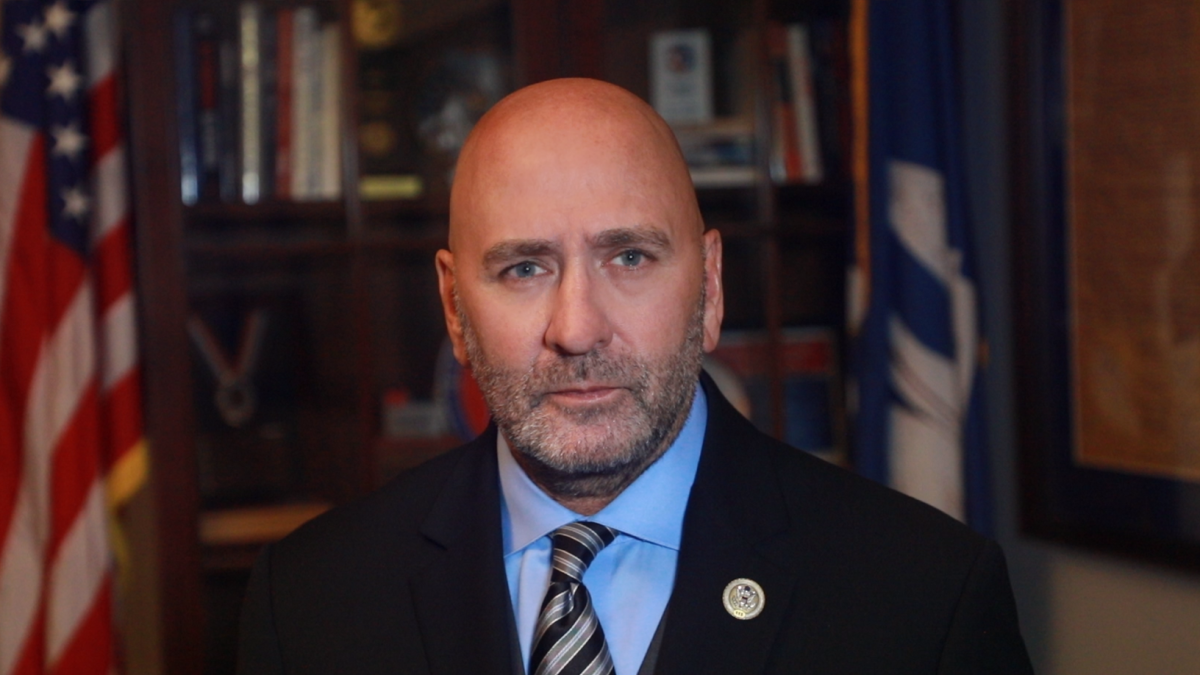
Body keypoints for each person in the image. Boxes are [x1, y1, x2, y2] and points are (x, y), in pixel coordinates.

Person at [237, 78, 1033, 675]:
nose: (576, 327)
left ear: (711, 286)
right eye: (523, 267)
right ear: (453, 305)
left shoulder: (924, 598)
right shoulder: (308, 603)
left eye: (629, 257)